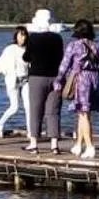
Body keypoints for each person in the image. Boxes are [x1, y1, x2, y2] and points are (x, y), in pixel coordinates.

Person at [59, 22, 99, 159]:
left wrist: (58, 80)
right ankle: (78, 145)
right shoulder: (97, 45)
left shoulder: (74, 46)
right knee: (83, 113)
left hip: (81, 79)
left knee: (83, 114)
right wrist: (98, 67)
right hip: (95, 79)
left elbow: (64, 65)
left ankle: (90, 146)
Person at [21, 9, 65, 151]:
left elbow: (27, 57)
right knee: (53, 111)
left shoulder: (33, 38)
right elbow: (61, 57)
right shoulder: (57, 38)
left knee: (36, 109)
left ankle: (34, 143)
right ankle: (54, 145)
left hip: (37, 76)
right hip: (56, 76)